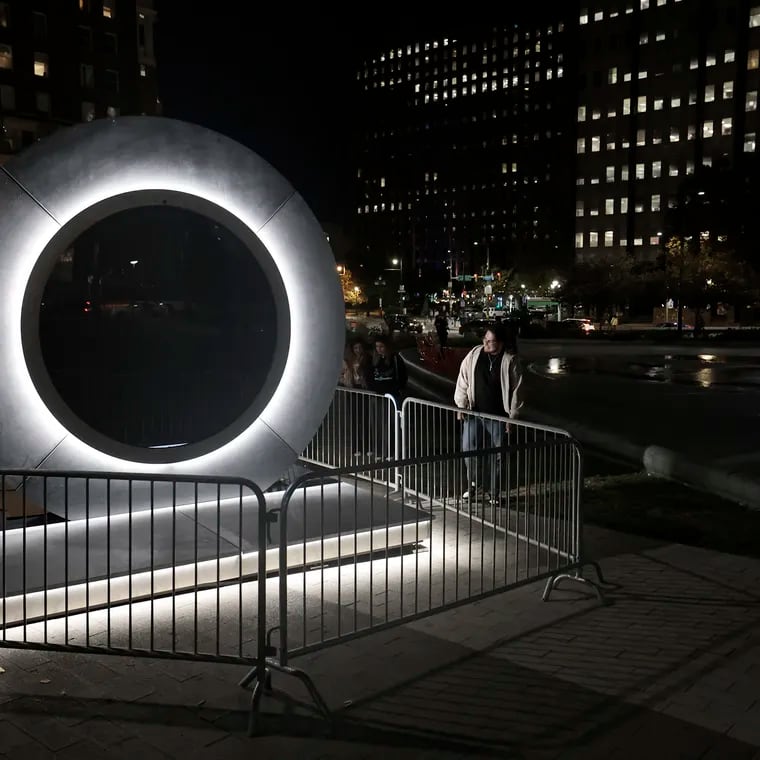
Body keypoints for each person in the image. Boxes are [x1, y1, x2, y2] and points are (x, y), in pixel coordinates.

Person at [454, 322, 523, 501]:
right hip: (474, 413)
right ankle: (474, 485)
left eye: (490, 341)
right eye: (485, 339)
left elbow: (517, 390)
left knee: (497, 455)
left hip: (498, 416)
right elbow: (463, 379)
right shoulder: (475, 354)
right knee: (469, 449)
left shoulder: (509, 360)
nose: (485, 344)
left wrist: (512, 416)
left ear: (500, 343)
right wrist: (461, 405)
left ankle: (494, 491)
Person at [368, 335, 407, 403]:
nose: (379, 349)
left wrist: (398, 388)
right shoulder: (374, 359)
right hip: (378, 394)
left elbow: (402, 375)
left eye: (381, 346)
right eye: (377, 346)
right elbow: (370, 375)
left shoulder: (395, 358)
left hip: (392, 394)